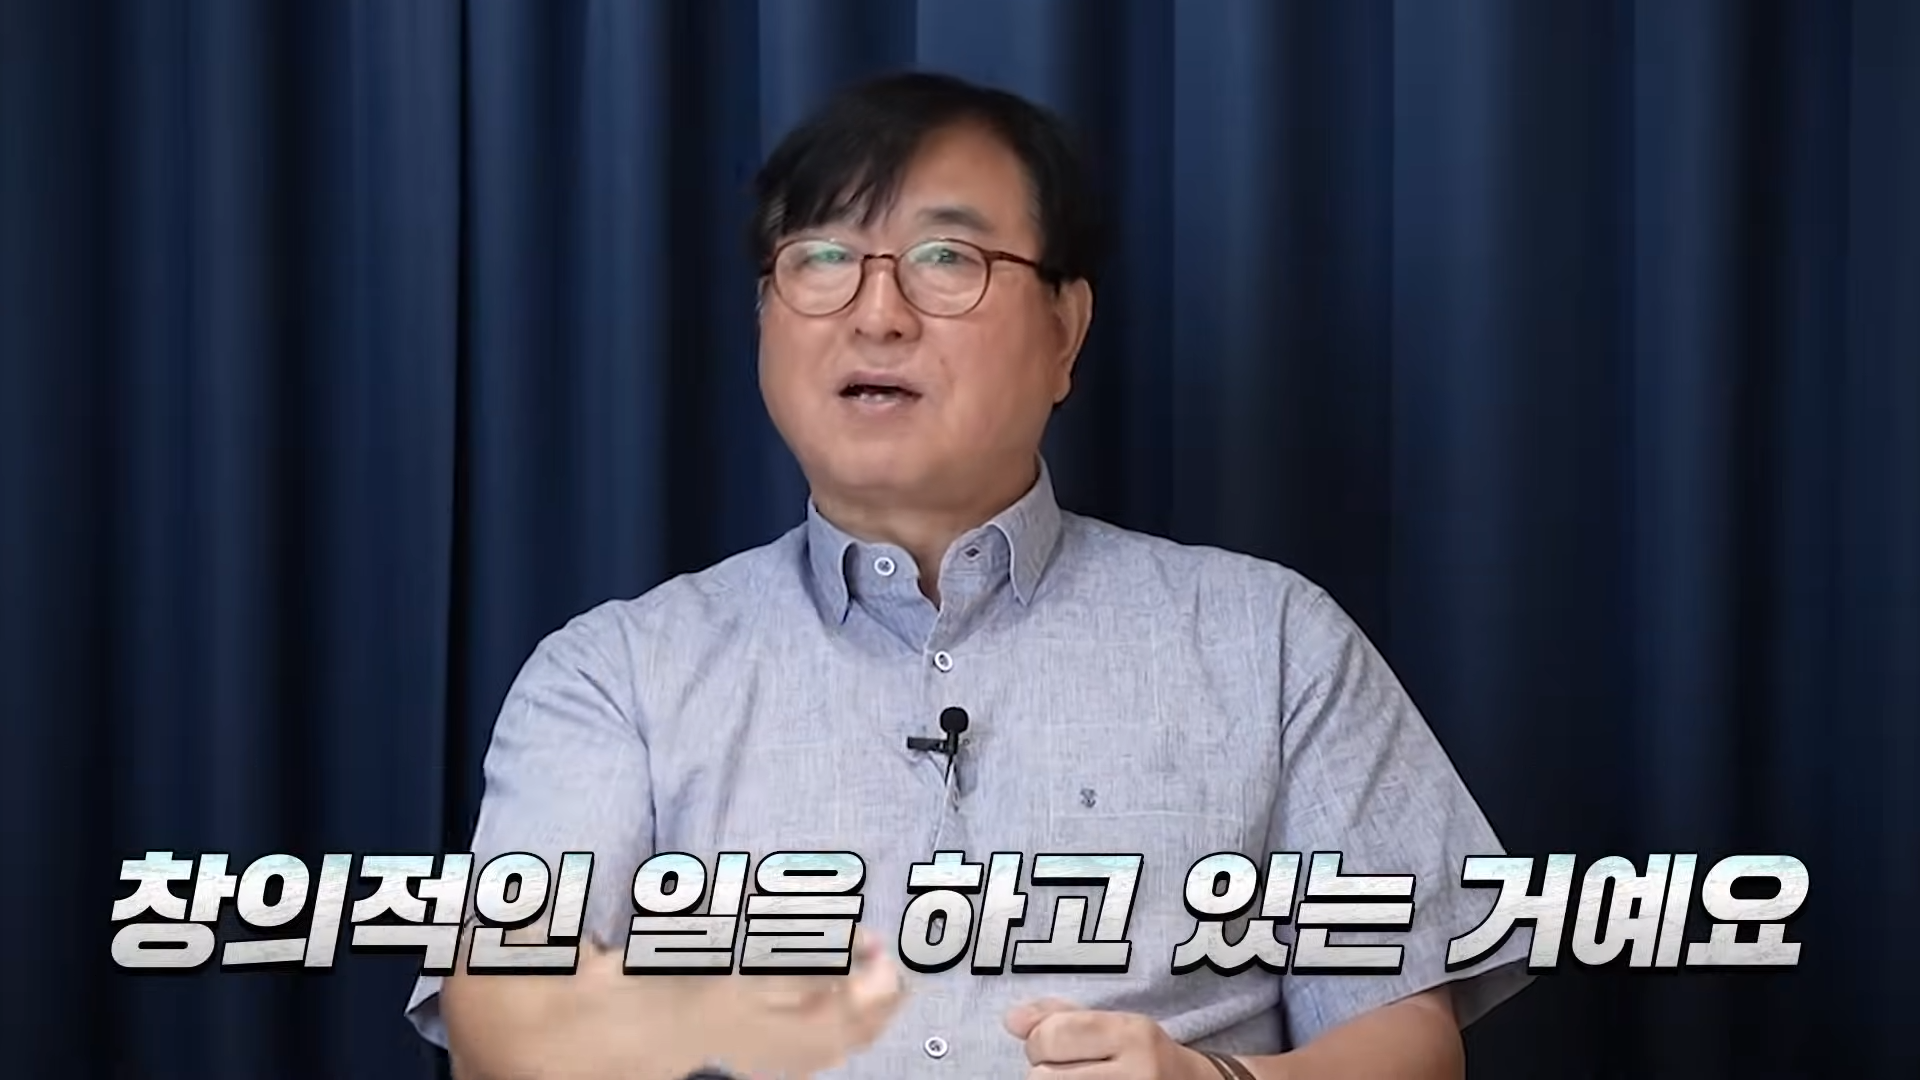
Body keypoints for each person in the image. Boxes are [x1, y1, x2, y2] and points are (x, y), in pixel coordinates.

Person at [407, 70, 1534, 1079]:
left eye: (946, 259)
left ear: (1065, 331)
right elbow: (503, 1018)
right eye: (822, 260)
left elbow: (1406, 1043)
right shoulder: (616, 674)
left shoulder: (1270, 640)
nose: (877, 313)